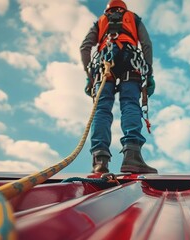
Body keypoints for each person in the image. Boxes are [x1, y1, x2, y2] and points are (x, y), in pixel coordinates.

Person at [80, 0, 157, 174]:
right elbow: (146, 45)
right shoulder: (133, 18)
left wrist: (90, 76)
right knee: (130, 103)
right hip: (130, 61)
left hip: (104, 63)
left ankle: (100, 161)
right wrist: (149, 73)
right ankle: (132, 156)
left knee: (101, 109)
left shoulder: (100, 21)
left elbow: (85, 48)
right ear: (124, 8)